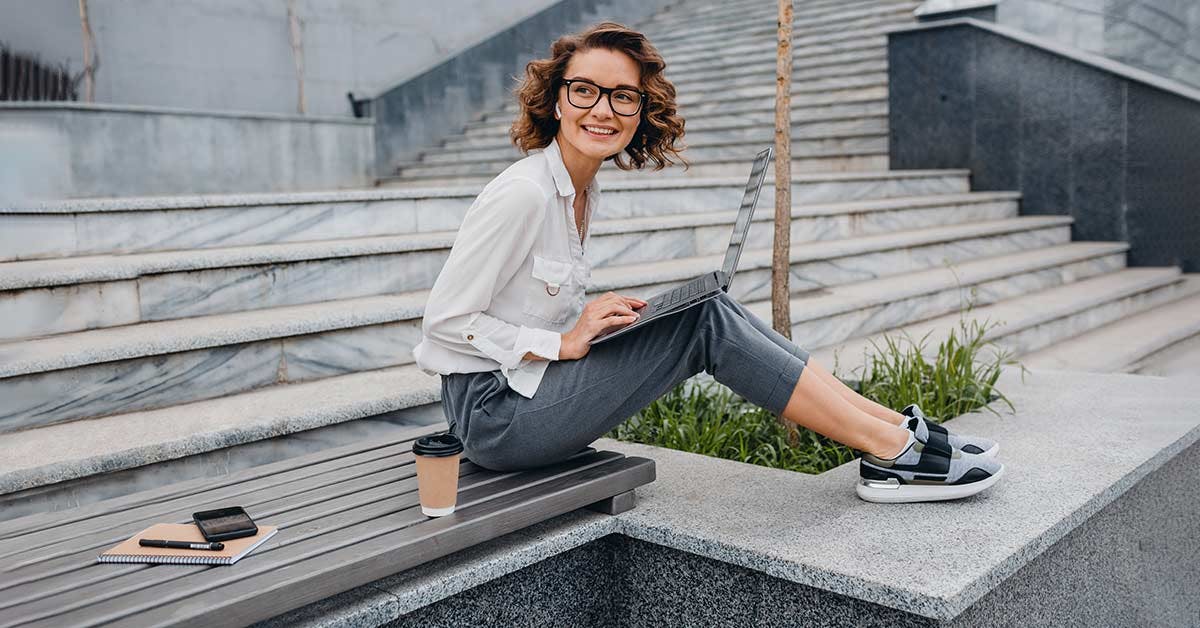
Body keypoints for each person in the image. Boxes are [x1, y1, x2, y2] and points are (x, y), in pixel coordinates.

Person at [412, 22, 1004, 503]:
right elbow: (443, 323)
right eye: (585, 89)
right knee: (704, 324)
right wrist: (561, 343)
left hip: (526, 392)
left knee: (707, 304)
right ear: (557, 99)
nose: (603, 109)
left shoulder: (580, 189)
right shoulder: (525, 193)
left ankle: (894, 431)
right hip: (494, 417)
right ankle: (890, 455)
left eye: (624, 96)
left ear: (642, 110)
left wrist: (592, 322)